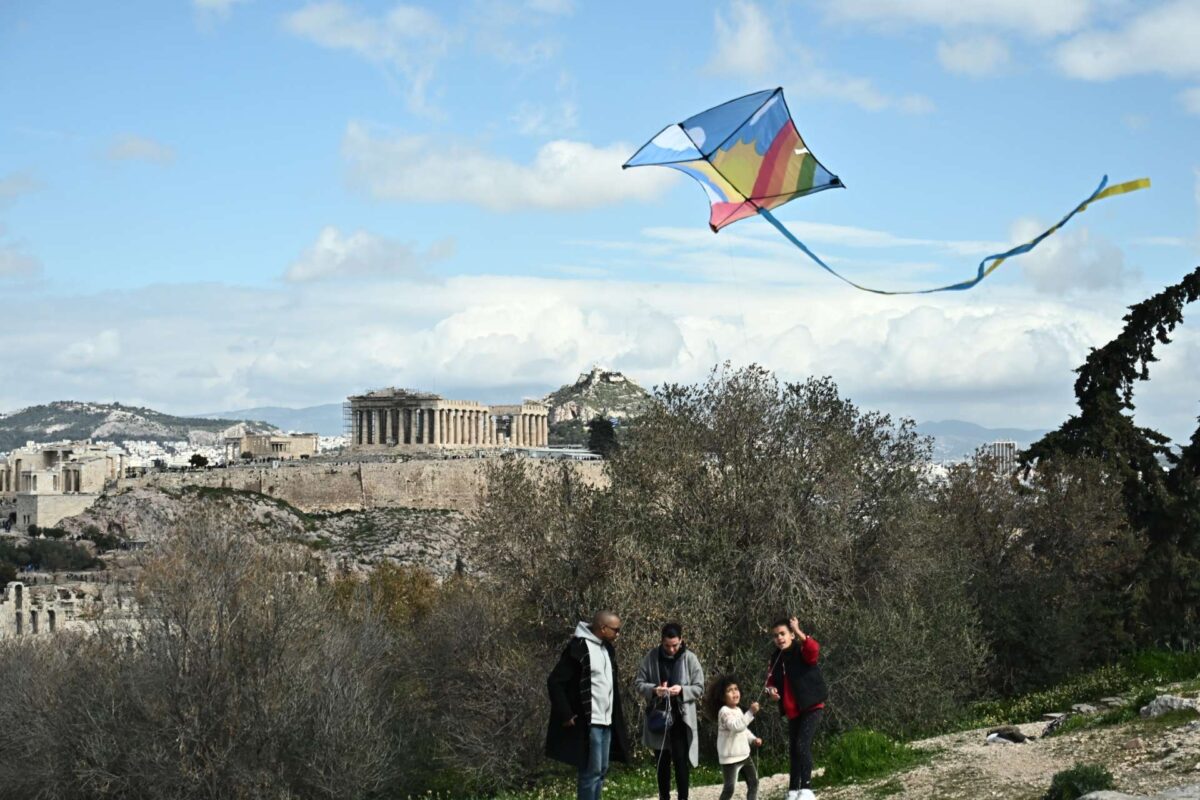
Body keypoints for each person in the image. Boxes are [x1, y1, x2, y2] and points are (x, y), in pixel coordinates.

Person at [546, 610, 630, 800]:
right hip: (589, 722)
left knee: (601, 770)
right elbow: (555, 682)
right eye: (615, 630)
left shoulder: (607, 648)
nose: (618, 634)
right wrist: (566, 714)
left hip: (606, 720)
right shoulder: (578, 648)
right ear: (603, 628)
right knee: (590, 772)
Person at [634, 622, 705, 800]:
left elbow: (699, 687)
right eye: (667, 645)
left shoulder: (690, 658)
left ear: (681, 640)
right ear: (661, 641)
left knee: (681, 762)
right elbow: (638, 683)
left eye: (675, 645)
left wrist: (682, 690)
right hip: (659, 717)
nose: (671, 649)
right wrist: (653, 689)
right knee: (662, 763)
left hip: (682, 717)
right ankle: (663, 797)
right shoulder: (651, 657)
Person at [764, 616, 827, 800]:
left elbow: (814, 651)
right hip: (793, 711)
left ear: (791, 634)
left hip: (811, 706)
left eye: (783, 634)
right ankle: (793, 791)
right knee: (793, 750)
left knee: (802, 745)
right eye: (775, 636)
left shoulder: (801, 649)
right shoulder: (775, 659)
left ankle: (807, 789)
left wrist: (800, 632)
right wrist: (771, 692)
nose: (779, 638)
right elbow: (769, 683)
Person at [704, 675, 762, 800]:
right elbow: (736, 726)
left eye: (736, 689)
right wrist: (751, 712)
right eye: (730, 690)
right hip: (730, 759)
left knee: (754, 783)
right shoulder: (724, 712)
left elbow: (744, 731)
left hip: (744, 755)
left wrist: (753, 739)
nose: (734, 692)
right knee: (729, 789)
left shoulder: (738, 710)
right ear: (722, 696)